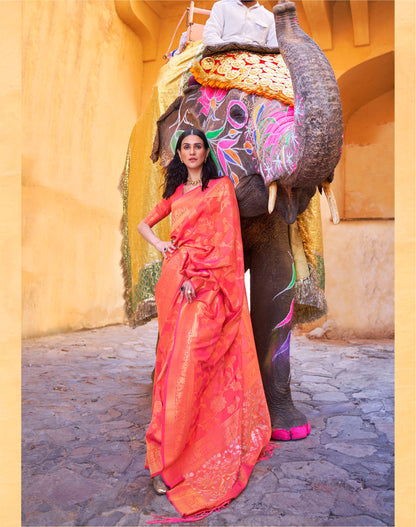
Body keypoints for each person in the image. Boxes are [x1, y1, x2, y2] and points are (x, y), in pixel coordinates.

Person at [137, 128, 271, 520]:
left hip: (208, 288)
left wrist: (200, 276)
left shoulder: (220, 189)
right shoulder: (176, 195)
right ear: (179, 155)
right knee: (171, 369)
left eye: (197, 147)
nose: (192, 152)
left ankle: (192, 446)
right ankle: (167, 458)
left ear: (204, 152)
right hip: (176, 285)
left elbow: (228, 243)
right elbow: (146, 224)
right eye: (186, 147)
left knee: (192, 366)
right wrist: (162, 247)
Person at [203, 0, 278, 48]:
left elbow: (274, 48)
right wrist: (229, 49)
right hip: (224, 56)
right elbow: (209, 36)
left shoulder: (270, 17)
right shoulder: (221, 6)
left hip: (256, 64)